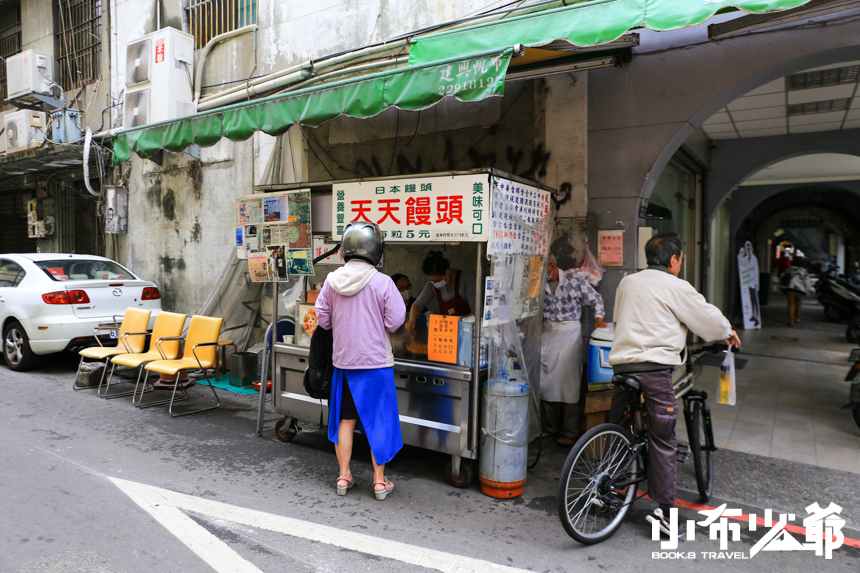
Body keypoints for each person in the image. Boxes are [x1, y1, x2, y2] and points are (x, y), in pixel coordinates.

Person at [608, 232, 740, 536]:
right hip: (655, 372)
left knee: (618, 431)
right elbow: (705, 317)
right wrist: (727, 331)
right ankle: (666, 516)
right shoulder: (676, 285)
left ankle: (609, 494)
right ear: (673, 260)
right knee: (663, 439)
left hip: (623, 366)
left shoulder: (628, 281)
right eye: (680, 259)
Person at [315, 221, 406, 500]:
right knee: (379, 421)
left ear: (345, 250)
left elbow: (322, 320)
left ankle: (344, 477)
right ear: (376, 251)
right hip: (377, 365)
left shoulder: (331, 281)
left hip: (345, 364)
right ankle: (379, 482)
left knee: (345, 421)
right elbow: (395, 321)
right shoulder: (383, 282)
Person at [541, 254, 607, 446]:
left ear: (552, 266)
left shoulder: (573, 280)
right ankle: (549, 427)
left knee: (568, 383)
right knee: (546, 382)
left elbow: (596, 299)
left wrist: (598, 317)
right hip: (547, 333)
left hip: (569, 335)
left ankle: (569, 431)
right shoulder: (537, 285)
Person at [405, 251, 476, 333]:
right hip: (447, 331)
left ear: (447, 272)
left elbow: (476, 311)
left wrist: (461, 321)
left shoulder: (466, 278)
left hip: (467, 330)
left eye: (437, 280)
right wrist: (411, 321)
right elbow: (418, 305)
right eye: (431, 281)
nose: (435, 283)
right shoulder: (432, 285)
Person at [781, 257, 815, 326]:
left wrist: (782, 286)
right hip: (800, 290)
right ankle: (797, 318)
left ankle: (791, 320)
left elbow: (782, 277)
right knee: (798, 303)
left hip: (790, 289)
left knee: (790, 304)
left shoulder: (788, 269)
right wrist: (811, 290)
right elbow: (807, 282)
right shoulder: (804, 271)